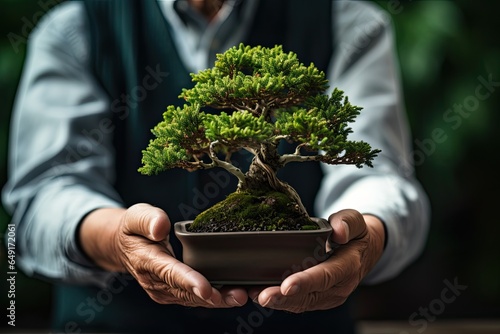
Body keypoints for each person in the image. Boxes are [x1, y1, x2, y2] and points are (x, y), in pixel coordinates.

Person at [2, 0, 430, 333]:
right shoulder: (77, 27)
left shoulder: (346, 20)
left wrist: (367, 235)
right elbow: (43, 196)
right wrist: (114, 238)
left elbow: (378, 174)